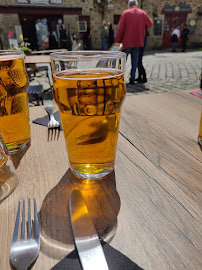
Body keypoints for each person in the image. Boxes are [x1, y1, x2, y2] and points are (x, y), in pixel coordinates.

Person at [116, 0, 153, 85]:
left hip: (126, 42)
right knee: (134, 62)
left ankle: (120, 78)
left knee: (122, 62)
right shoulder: (142, 13)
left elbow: (120, 29)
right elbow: (150, 23)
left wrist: (118, 41)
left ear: (129, 5)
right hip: (138, 42)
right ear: (136, 4)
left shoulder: (126, 13)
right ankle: (132, 79)